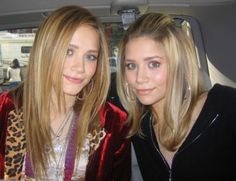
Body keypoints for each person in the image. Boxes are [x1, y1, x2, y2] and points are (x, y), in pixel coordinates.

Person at [0, 5, 131, 180]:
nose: (80, 68)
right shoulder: (5, 110)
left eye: (90, 56)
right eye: (69, 51)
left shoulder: (113, 123)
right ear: (45, 51)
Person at [116, 12, 236, 181]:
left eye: (153, 64)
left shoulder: (225, 106)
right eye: (131, 65)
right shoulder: (140, 130)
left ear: (179, 65)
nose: (139, 78)